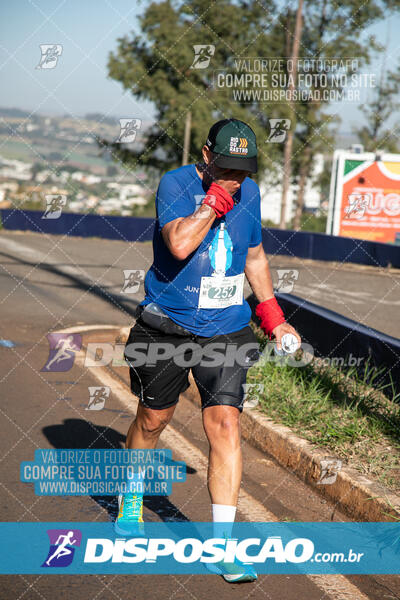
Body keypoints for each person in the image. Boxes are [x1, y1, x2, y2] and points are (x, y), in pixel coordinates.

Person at [117, 118, 301, 583]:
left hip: (226, 329)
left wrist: (273, 317)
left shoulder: (251, 193)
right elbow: (178, 244)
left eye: (243, 171)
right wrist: (213, 204)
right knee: (153, 418)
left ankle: (221, 546)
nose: (234, 179)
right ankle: (131, 499)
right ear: (205, 155)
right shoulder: (175, 185)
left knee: (225, 422)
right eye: (226, 169)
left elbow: (255, 256)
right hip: (167, 327)